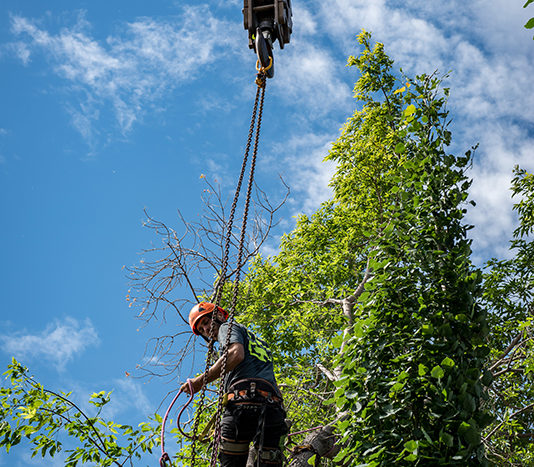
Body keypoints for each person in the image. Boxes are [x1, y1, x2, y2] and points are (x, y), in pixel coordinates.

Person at [181, 302, 287, 467]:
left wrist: (199, 382)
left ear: (220, 315)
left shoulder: (227, 328)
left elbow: (235, 354)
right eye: (201, 329)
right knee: (269, 460)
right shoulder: (260, 345)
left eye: (207, 322)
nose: (206, 330)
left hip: (243, 403)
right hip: (272, 408)